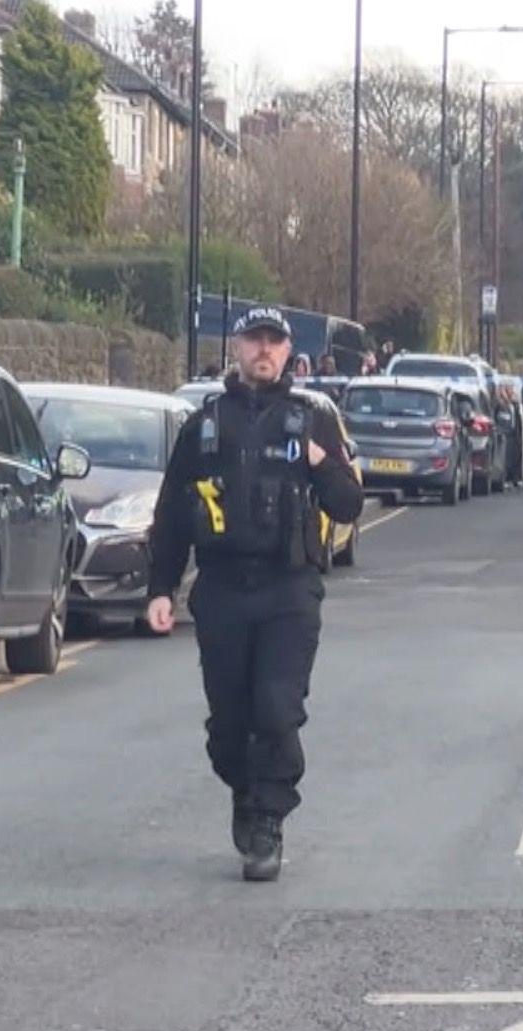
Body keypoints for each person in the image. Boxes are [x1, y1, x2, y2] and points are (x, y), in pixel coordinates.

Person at [144, 307, 365, 883]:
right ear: (237, 349)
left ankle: (267, 819)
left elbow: (348, 504)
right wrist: (160, 587)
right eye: (254, 341)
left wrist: (321, 466)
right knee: (228, 722)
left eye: (274, 342)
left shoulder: (311, 419)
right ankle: (244, 791)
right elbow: (171, 511)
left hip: (288, 589)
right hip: (220, 589)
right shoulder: (205, 424)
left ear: (289, 353)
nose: (263, 351)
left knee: (275, 708)